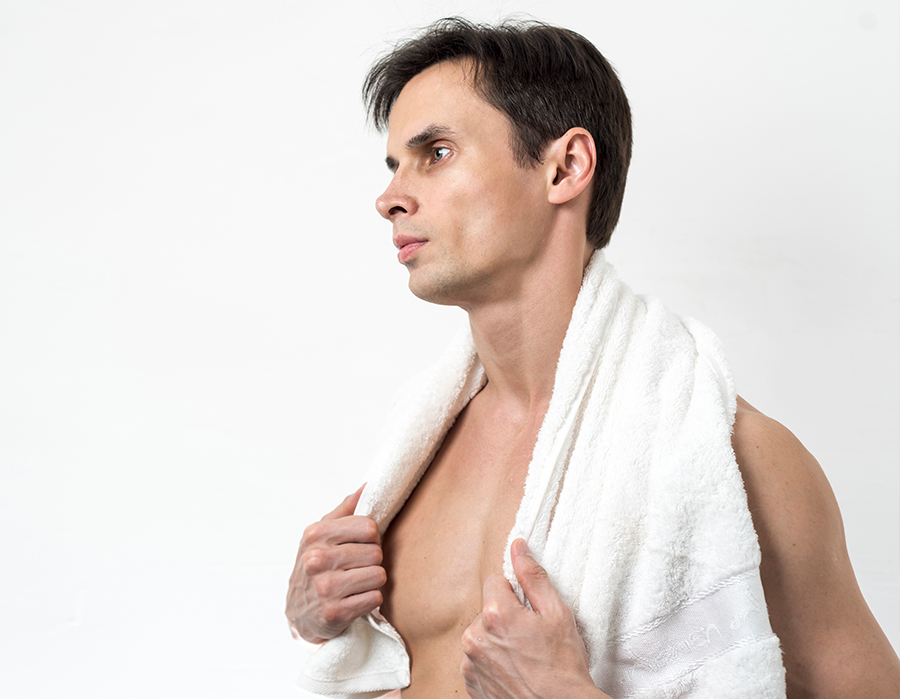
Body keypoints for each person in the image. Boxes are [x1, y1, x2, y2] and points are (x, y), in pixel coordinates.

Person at [286, 18, 899, 699]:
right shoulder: (414, 448)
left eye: (436, 152)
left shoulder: (740, 460)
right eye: (395, 165)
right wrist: (315, 623)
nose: (389, 198)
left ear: (566, 167)